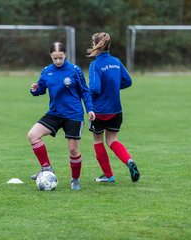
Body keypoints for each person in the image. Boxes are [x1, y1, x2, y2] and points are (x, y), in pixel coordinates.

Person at [27, 42, 95, 190]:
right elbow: (41, 89)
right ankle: (47, 168)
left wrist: (89, 108)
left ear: (65, 55)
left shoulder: (75, 70)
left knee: (73, 149)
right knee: (33, 135)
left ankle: (75, 179)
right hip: (55, 113)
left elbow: (85, 91)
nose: (58, 61)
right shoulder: (46, 71)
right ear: (51, 56)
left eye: (61, 58)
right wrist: (34, 89)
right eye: (55, 58)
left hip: (73, 115)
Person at [86, 32, 140, 183]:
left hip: (99, 111)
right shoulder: (116, 61)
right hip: (116, 109)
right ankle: (129, 161)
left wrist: (85, 93)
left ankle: (109, 176)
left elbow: (95, 88)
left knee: (98, 141)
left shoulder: (95, 64)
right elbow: (128, 81)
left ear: (96, 45)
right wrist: (113, 87)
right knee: (112, 140)